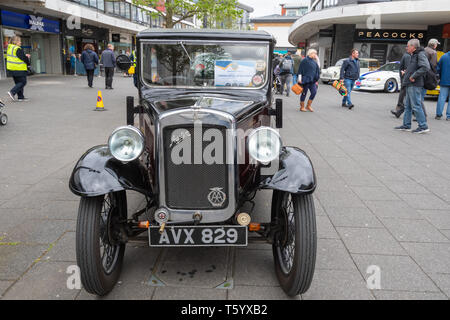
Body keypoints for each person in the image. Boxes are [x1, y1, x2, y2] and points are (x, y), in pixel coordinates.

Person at [394, 39, 430, 134]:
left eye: (408, 46)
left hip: (415, 84)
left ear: (413, 47)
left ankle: (423, 126)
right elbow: (415, 67)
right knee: (408, 106)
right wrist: (407, 72)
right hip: (410, 84)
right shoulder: (414, 55)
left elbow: (425, 67)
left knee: (416, 106)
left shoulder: (420, 54)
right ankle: (406, 125)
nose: (406, 47)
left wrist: (413, 76)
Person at [6, 36, 31, 102]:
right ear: (15, 42)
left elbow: (16, 57)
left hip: (12, 69)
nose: (20, 42)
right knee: (23, 82)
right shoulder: (17, 48)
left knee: (18, 82)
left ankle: (20, 97)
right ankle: (12, 92)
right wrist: (27, 59)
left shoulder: (10, 48)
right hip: (19, 68)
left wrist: (24, 55)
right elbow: (23, 58)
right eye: (19, 41)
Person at [391, 49, 411, 118]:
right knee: (408, 96)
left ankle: (399, 109)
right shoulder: (408, 56)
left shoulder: (406, 56)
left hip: (406, 79)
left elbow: (406, 68)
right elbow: (407, 68)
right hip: (407, 79)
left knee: (406, 96)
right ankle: (399, 110)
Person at [436, 50, 450, 121]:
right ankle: (449, 116)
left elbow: (438, 68)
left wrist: (440, 76)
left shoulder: (444, 57)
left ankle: (438, 114)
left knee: (442, 97)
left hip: (444, 80)